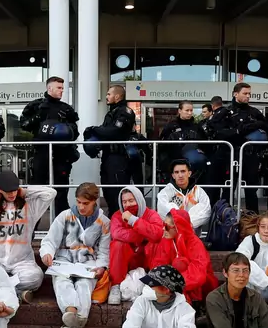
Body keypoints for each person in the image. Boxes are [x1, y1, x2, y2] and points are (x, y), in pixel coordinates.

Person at [0, 170, 54, 303]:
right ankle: (17, 294)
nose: (12, 194)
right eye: (8, 191)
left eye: (14, 190)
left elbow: (50, 193)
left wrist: (25, 191)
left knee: (35, 277)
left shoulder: (30, 207)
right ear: (0, 190)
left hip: (22, 261)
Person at [39, 183, 110, 328]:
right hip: (64, 259)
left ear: (94, 201)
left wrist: (101, 267)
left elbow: (104, 250)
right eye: (78, 202)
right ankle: (74, 314)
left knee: (84, 285)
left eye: (85, 203)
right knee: (62, 283)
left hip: (88, 262)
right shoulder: (64, 216)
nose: (81, 206)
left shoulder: (104, 222)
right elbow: (50, 240)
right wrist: (47, 254)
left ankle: (72, 321)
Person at [19, 76, 79, 214]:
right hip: (41, 153)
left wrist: (65, 130)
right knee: (36, 191)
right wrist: (39, 116)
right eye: (59, 88)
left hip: (62, 155)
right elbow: (24, 125)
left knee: (61, 192)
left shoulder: (66, 109)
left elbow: (75, 132)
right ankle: (31, 228)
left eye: (62, 88)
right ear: (49, 88)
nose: (61, 91)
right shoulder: (35, 106)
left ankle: (63, 228)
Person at [203, 82, 267, 212]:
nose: (248, 96)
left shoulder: (254, 112)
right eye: (245, 93)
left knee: (251, 191)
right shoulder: (224, 112)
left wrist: (252, 127)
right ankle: (223, 219)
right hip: (229, 156)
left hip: (249, 156)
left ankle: (253, 221)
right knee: (228, 189)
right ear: (235, 94)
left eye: (249, 94)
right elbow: (216, 132)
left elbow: (265, 126)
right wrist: (238, 131)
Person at [107, 185, 164, 302]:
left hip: (146, 259)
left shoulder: (151, 214)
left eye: (131, 200)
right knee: (117, 244)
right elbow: (117, 234)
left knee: (157, 243)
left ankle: (155, 281)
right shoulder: (117, 216)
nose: (127, 205)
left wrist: (134, 221)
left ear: (138, 200)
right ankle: (115, 285)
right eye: (124, 202)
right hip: (126, 259)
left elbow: (157, 233)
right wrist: (143, 233)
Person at [85, 84, 136, 214]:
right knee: (108, 192)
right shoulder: (111, 112)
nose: (106, 97)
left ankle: (120, 223)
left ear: (117, 96)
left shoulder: (125, 111)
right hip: (108, 157)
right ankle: (114, 222)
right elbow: (104, 133)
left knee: (117, 194)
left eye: (109, 94)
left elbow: (115, 132)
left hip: (118, 158)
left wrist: (94, 129)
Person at [155, 159, 211, 232]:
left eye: (183, 171)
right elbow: (162, 212)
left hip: (193, 236)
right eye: (176, 172)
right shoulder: (165, 192)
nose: (180, 175)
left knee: (200, 207)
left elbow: (206, 212)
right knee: (171, 207)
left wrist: (187, 225)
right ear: (173, 175)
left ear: (189, 173)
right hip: (172, 236)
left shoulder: (199, 191)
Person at [157, 101, 205, 184]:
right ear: (179, 111)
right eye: (187, 110)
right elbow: (161, 146)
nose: (189, 113)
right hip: (173, 164)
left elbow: (205, 144)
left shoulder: (197, 127)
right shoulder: (171, 126)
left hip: (193, 167)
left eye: (191, 110)